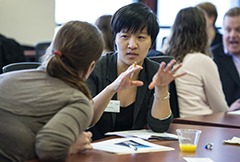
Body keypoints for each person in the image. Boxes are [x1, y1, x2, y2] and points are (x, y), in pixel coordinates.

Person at [0, 21, 103, 162]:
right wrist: (72, 146)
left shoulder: (6, 77)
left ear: (51, 50)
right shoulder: (78, 101)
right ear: (90, 67)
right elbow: (49, 148)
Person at [86, 2, 186, 141]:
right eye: (125, 36)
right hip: (95, 149)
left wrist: (161, 87)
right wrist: (112, 88)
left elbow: (160, 126)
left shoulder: (155, 72)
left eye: (141, 37)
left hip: (135, 151)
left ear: (151, 43)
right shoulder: (96, 68)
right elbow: (85, 119)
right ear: (115, 38)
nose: (132, 45)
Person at [165, 7, 229, 118]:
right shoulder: (203, 61)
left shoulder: (164, 58)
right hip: (201, 123)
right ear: (202, 31)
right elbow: (219, 108)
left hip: (173, 123)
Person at [211, 7, 240, 111]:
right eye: (228, 30)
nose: (232, 35)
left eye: (238, 30)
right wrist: (228, 111)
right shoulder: (211, 58)